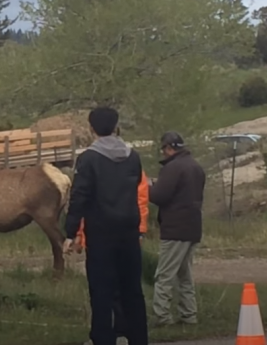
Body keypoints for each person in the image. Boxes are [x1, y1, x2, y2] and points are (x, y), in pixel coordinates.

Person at [63, 107, 149, 345]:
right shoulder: (133, 156)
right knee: (132, 292)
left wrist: (70, 232)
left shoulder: (88, 159)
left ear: (91, 129)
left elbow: (79, 197)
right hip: (129, 233)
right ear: (116, 126)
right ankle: (139, 340)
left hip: (101, 234)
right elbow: (137, 193)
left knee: (101, 293)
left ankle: (103, 339)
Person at [74, 164, 150, 344]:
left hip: (115, 237)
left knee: (115, 288)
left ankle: (118, 331)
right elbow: (86, 202)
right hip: (102, 236)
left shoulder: (105, 165)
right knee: (105, 290)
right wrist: (79, 233)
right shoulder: (114, 165)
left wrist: (139, 230)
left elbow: (140, 200)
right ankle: (109, 332)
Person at [149, 131, 206, 327]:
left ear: (168, 148)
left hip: (174, 228)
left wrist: (149, 187)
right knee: (185, 275)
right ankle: (189, 315)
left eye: (164, 149)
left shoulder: (173, 168)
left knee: (164, 275)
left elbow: (159, 196)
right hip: (193, 226)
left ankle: (162, 317)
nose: (163, 153)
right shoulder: (196, 166)